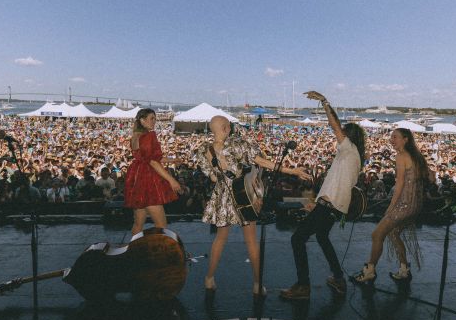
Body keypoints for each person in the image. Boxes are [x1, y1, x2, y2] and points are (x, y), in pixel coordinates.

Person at [197, 115, 310, 297]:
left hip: (223, 197)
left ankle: (209, 279)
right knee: (251, 241)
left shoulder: (203, 150)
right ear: (226, 128)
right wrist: (292, 171)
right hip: (243, 195)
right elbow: (262, 162)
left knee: (220, 239)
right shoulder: (238, 143)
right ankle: (257, 285)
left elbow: (212, 177)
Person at [280, 91, 366, 300]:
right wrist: (316, 202)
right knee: (322, 237)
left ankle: (303, 286)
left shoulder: (349, 149)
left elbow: (334, 125)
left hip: (330, 206)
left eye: (343, 133)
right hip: (332, 206)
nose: (338, 136)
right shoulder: (351, 156)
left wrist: (324, 102)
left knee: (297, 239)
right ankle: (338, 277)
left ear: (348, 136)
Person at [353, 128, 434, 284]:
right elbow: (431, 177)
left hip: (404, 205)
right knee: (393, 233)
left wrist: (391, 207)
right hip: (415, 206)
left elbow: (400, 184)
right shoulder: (417, 157)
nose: (392, 140)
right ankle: (404, 270)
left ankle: (370, 270)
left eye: (395, 137)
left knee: (377, 235)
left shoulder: (401, 156)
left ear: (405, 139)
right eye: (391, 137)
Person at [124, 108, 182, 236]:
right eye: (152, 118)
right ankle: (159, 253)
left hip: (137, 178)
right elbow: (153, 162)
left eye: (155, 118)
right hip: (148, 180)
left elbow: (149, 158)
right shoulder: (148, 136)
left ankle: (134, 251)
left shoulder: (135, 137)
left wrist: (172, 159)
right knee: (161, 225)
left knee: (138, 224)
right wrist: (171, 180)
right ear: (142, 120)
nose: (154, 121)